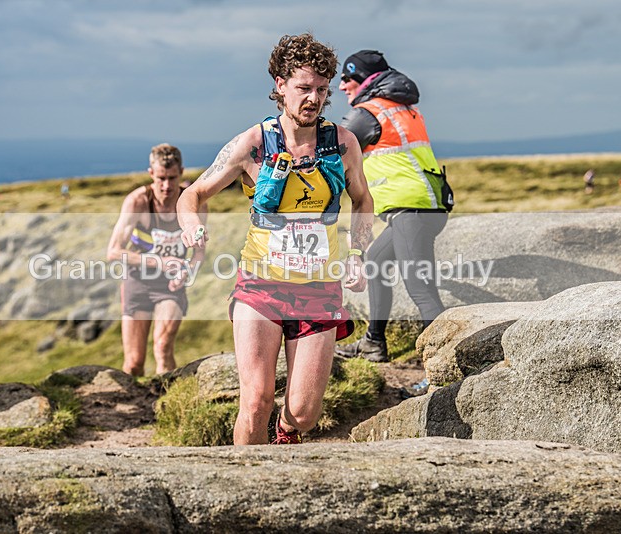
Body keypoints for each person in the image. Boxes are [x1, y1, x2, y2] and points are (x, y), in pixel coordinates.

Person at [178, 33, 374, 445]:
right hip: (260, 285)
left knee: (303, 413)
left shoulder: (343, 144)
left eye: (322, 89)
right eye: (304, 88)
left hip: (319, 287)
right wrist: (192, 228)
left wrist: (357, 253)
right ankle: (245, 477)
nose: (314, 99)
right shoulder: (252, 144)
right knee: (256, 400)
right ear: (280, 85)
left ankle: (285, 435)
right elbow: (191, 195)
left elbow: (362, 200)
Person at [335, 50, 452, 362]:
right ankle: (373, 342)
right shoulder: (402, 109)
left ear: (364, 80)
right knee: (376, 261)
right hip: (425, 205)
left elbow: (330, 154)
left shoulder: (366, 114)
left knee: (421, 291)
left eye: (347, 78)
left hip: (411, 211)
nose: (342, 85)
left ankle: (444, 367)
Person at [106, 144, 205, 377]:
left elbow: (199, 253)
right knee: (134, 363)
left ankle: (168, 397)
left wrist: (187, 272)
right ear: (151, 173)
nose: (166, 186)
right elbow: (113, 252)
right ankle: (136, 400)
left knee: (162, 348)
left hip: (170, 286)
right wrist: (158, 262)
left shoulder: (193, 203)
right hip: (137, 282)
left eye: (172, 178)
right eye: (161, 178)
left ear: (181, 172)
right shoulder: (138, 202)